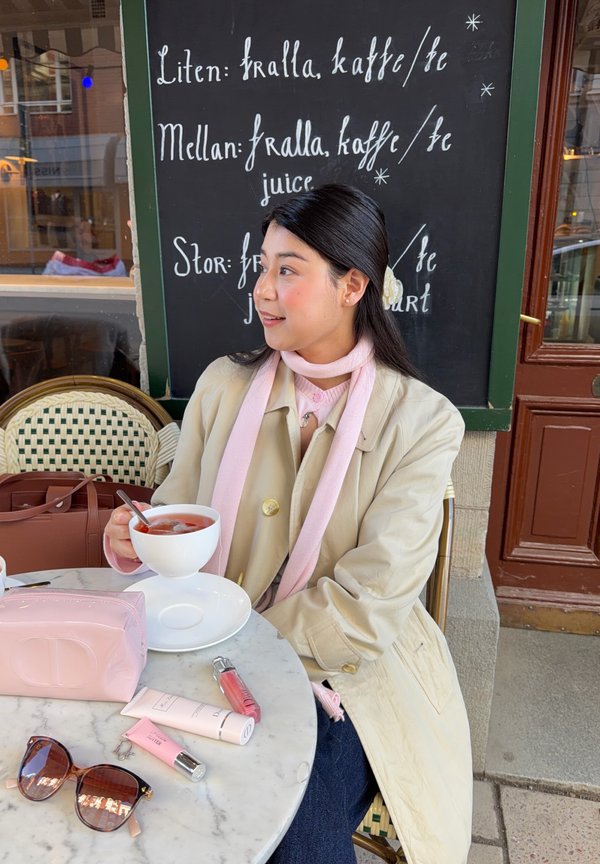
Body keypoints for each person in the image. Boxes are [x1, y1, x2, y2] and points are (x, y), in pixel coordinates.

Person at [104, 184, 472, 864]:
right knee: (130, 789)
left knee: (294, 836)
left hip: (347, 680)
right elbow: (178, 517)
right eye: (262, 266)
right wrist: (139, 538)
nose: (262, 289)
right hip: (202, 654)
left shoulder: (421, 422)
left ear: (352, 284)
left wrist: (240, 643)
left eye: (287, 270)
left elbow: (366, 608)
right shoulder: (224, 384)